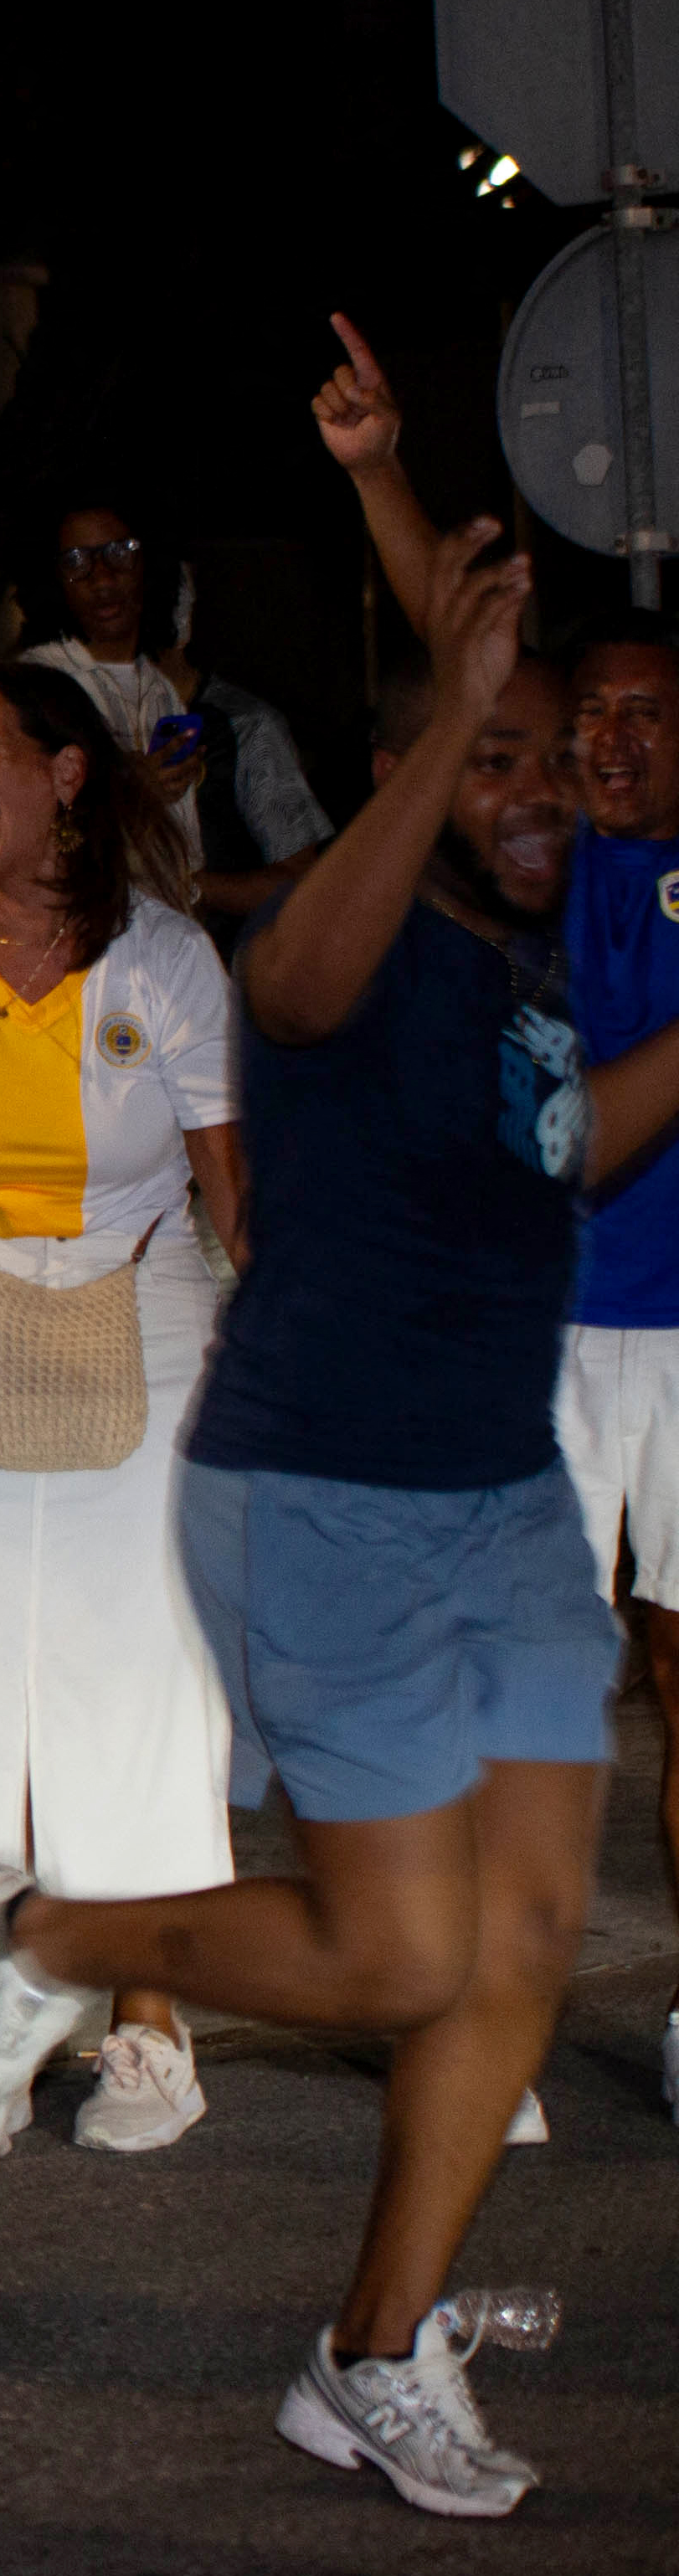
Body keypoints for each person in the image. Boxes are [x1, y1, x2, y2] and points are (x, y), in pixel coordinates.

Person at [0, 339, 669, 2517]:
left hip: (492, 1493)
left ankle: (371, 2354)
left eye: (563, 762)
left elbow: (577, 1145)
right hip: (322, 1493)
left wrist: (401, 506)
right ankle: (37, 1943)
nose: (542, 786)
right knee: (399, 1954)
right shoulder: (351, 938)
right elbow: (313, 976)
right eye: (494, 759)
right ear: (417, 768)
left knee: (518, 1949)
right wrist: (453, 718)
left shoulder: (542, 957)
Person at [0, 662, 245, 2152]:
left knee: (140, 1668)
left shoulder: (168, 960)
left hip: (146, 1311)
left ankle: (150, 2023)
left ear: (65, 773)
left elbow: (233, 1196)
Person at [553, 605, 679, 2125]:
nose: (613, 739)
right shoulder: (523, 872)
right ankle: (496, 2010)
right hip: (551, 1328)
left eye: (646, 711)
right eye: (595, 710)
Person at [19, 502, 334, 924]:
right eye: (77, 561)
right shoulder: (33, 689)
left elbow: (295, 879)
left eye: (121, 553)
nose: (103, 578)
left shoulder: (172, 698)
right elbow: (21, 834)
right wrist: (127, 790)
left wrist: (187, 888)